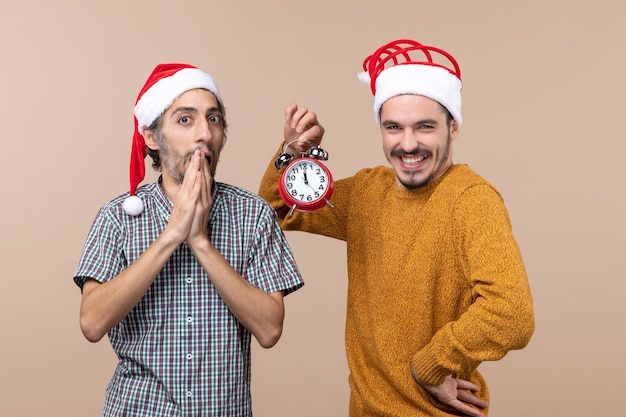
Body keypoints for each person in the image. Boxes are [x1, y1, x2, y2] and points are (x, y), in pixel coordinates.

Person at [258, 39, 535, 416]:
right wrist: (295, 150)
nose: (408, 144)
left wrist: (431, 364)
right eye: (394, 127)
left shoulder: (471, 200)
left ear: (453, 127)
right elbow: (276, 207)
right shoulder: (367, 193)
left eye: (424, 127)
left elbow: (513, 314)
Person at [73, 63, 315, 416]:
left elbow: (269, 329)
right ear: (153, 137)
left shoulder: (253, 214)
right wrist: (172, 234)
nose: (204, 133)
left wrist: (200, 241)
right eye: (185, 120)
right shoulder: (118, 217)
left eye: (213, 119)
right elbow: (92, 323)